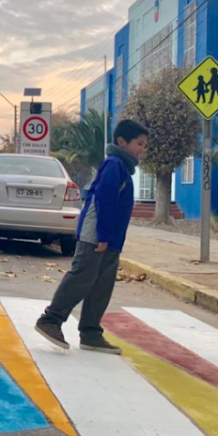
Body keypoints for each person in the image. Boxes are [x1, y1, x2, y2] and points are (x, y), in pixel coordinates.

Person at [34, 119, 149, 354]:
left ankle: (90, 333)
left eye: (145, 145)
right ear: (121, 142)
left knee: (102, 285)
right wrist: (103, 235)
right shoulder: (114, 165)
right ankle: (50, 320)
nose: (142, 149)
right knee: (81, 278)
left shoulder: (122, 168)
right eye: (139, 143)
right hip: (96, 236)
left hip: (111, 239)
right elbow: (106, 200)